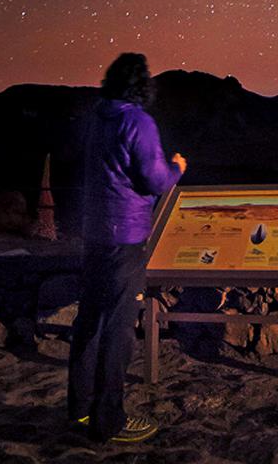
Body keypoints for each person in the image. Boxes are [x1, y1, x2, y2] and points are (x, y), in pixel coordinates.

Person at [68, 52, 186, 443]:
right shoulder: (137, 121)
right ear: (141, 84)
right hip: (125, 236)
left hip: (95, 232)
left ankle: (80, 410)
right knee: (118, 328)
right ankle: (108, 420)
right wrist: (178, 168)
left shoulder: (97, 116)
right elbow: (154, 180)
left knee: (89, 321)